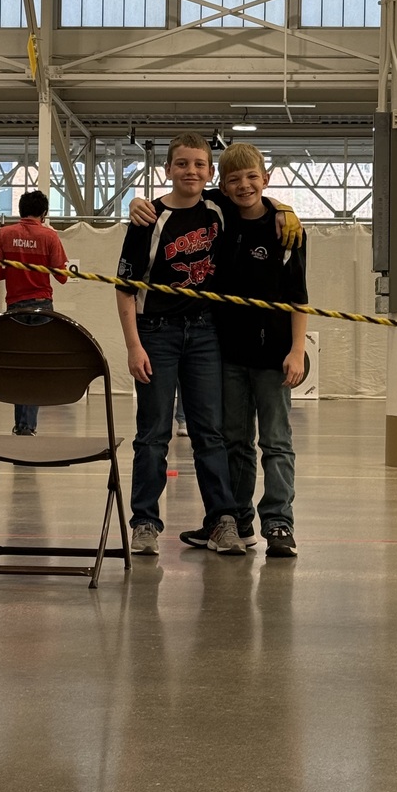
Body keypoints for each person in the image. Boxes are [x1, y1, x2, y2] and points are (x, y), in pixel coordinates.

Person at [130, 143, 307, 557]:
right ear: (222, 186)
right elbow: (180, 194)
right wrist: (138, 202)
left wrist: (297, 349)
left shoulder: (286, 229)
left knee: (276, 442)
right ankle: (236, 521)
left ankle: (279, 523)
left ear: (266, 178)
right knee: (235, 442)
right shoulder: (218, 214)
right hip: (225, 352)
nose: (243, 185)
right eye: (233, 179)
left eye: (252, 177)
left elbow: (299, 296)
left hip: (272, 355)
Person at [115, 131, 246, 557]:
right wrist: (134, 346)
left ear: (210, 172)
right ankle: (145, 522)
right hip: (157, 334)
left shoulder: (218, 208)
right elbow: (124, 289)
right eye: (183, 163)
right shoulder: (147, 218)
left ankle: (221, 521)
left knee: (210, 431)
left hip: (206, 332)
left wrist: (284, 211)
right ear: (167, 169)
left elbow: (254, 198)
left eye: (199, 165)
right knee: (153, 432)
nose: (191, 171)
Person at [0, 189, 68, 435]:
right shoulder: (49, 237)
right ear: (44, 214)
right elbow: (63, 277)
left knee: (19, 366)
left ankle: (20, 425)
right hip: (43, 307)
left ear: (20, 210)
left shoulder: (4, 234)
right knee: (34, 367)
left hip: (15, 308)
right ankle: (28, 426)